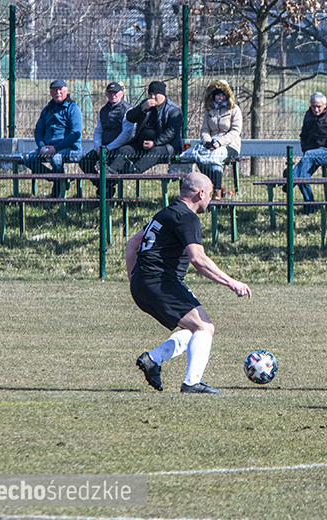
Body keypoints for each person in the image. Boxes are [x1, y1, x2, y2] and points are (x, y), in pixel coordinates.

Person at [128, 172, 252, 394]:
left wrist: (135, 280)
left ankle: (152, 359)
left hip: (143, 284)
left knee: (192, 329)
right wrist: (231, 282)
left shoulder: (166, 213)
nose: (211, 199)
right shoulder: (187, 217)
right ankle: (192, 383)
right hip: (161, 282)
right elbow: (198, 259)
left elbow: (132, 244)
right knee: (205, 327)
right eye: (211, 194)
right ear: (201, 194)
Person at [180, 80, 242, 200]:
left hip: (230, 145)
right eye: (218, 95)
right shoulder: (209, 110)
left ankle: (217, 191)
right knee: (197, 155)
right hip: (211, 143)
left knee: (215, 157)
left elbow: (235, 131)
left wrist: (219, 143)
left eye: (223, 95)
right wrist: (207, 142)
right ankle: (218, 185)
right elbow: (205, 129)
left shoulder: (234, 109)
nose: (220, 97)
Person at [291, 92, 327, 213]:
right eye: (313, 106)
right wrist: (305, 147)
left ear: (325, 104)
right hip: (311, 154)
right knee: (303, 177)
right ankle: (310, 208)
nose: (316, 109)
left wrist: (326, 142)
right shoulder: (309, 115)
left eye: (319, 106)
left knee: (308, 157)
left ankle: (291, 178)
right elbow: (304, 135)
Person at [110, 80, 183, 176]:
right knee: (124, 150)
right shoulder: (145, 105)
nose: (152, 97)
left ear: (163, 95)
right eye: (150, 94)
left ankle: (133, 170)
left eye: (155, 94)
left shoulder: (173, 110)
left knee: (156, 151)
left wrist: (154, 143)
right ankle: (109, 174)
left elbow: (171, 133)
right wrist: (141, 108)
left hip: (166, 147)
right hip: (142, 144)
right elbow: (130, 117)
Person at [24, 79, 83, 197]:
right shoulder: (47, 109)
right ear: (50, 92)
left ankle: (58, 193)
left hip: (69, 148)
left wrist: (56, 148)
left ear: (66, 90)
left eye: (60, 89)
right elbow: (38, 131)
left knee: (56, 159)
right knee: (28, 158)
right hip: (48, 147)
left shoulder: (73, 108)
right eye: (55, 90)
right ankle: (58, 180)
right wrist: (42, 147)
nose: (58, 92)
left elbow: (75, 133)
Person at [78, 81, 134, 198]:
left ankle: (107, 188)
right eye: (110, 92)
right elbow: (98, 130)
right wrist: (98, 146)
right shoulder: (103, 110)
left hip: (119, 148)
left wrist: (109, 147)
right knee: (84, 162)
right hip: (103, 148)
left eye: (115, 92)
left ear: (122, 94)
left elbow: (126, 135)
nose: (112, 95)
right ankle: (103, 186)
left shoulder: (128, 110)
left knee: (112, 168)